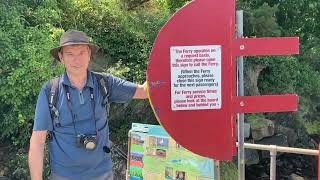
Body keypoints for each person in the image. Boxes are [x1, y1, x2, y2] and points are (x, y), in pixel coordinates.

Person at [28, 30, 148, 180]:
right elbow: (38, 141)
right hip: (63, 175)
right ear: (61, 57)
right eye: (70, 54)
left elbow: (144, 92)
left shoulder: (105, 83)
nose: (76, 60)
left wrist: (167, 64)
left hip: (102, 173)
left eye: (81, 53)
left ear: (89, 54)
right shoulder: (50, 91)